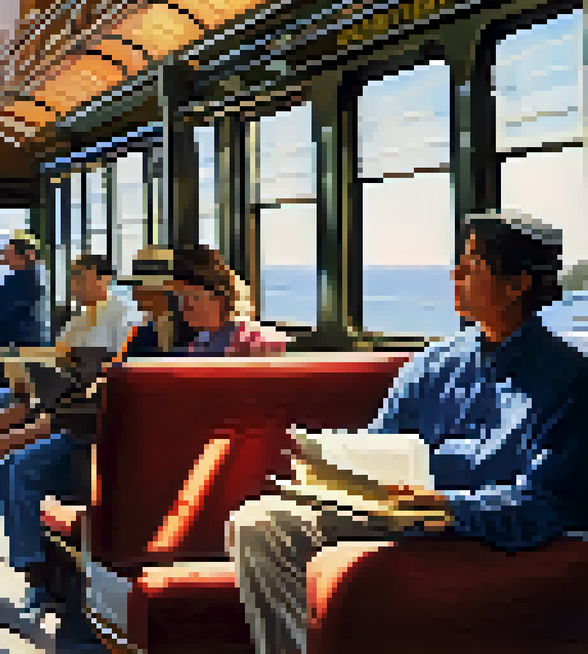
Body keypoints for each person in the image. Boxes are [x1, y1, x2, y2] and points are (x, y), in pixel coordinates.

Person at [228, 213, 588, 654]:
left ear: (516, 286)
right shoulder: (434, 363)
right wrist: (333, 473)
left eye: (471, 265)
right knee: (259, 523)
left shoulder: (569, 379)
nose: (455, 275)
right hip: (406, 510)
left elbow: (547, 503)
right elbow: (380, 446)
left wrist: (449, 505)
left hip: (479, 524)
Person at [0, 253, 138, 620]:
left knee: (19, 465)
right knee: (9, 461)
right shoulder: (76, 321)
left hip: (94, 425)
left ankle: (40, 579)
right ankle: (34, 572)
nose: (73, 285)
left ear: (103, 280)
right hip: (72, 409)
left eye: (80, 277)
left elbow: (104, 381)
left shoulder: (123, 320)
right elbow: (58, 365)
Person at [167, 244, 289, 356]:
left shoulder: (253, 342)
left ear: (220, 298)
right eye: (182, 298)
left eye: (195, 297)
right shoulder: (197, 346)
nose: (186, 306)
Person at [0, 232, 45, 392]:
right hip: (20, 345)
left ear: (24, 256)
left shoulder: (26, 280)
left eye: (8, 251)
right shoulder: (23, 277)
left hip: (20, 347)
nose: (3, 254)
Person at [116, 246, 195, 356]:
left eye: (143, 289)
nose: (135, 295)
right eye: (135, 287)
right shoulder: (141, 337)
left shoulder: (193, 332)